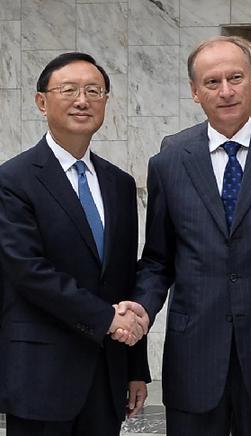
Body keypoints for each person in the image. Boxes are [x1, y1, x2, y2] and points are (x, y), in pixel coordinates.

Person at [113, 36, 251, 435]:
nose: (225, 91)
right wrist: (141, 309)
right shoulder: (169, 161)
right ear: (195, 92)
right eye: (212, 82)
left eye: (236, 78)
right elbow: (159, 259)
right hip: (193, 358)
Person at [0, 52, 150, 436]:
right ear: (42, 101)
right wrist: (107, 320)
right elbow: (28, 271)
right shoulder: (13, 180)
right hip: (41, 375)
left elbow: (123, 281)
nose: (83, 100)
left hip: (106, 375)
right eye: (69, 90)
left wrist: (135, 370)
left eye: (93, 91)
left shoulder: (118, 184)